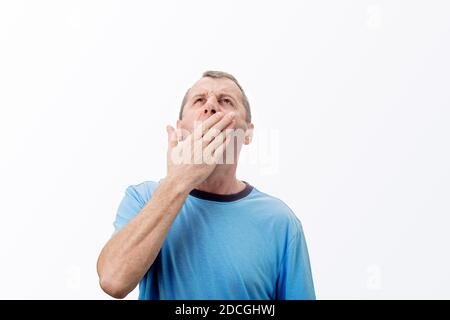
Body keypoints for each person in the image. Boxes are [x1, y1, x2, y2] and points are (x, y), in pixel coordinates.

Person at [96, 70, 316, 300]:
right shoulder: (142, 198)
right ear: (179, 130)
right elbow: (113, 280)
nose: (210, 107)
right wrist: (179, 181)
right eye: (199, 100)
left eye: (225, 101)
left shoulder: (280, 222)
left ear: (248, 133)